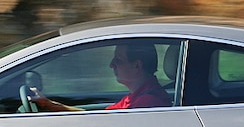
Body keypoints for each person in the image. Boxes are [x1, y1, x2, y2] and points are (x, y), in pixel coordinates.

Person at [30, 42, 170, 111]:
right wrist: (49, 104)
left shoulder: (146, 103)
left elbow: (101, 125)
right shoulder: (134, 98)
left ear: (137, 66)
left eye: (118, 60)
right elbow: (98, 118)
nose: (111, 65)